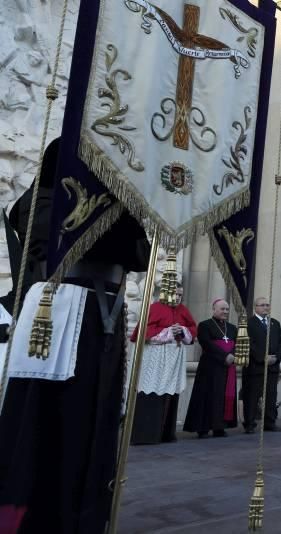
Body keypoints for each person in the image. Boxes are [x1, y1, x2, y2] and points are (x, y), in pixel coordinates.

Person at [0, 137, 152, 533]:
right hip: (61, 312)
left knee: (93, 420)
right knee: (45, 421)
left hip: (100, 315)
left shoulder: (104, 207)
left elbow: (139, 252)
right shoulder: (41, 203)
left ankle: (84, 512)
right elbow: (102, 240)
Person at [130, 283, 197, 444]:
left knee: (171, 394)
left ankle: (166, 433)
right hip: (156, 357)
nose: (178, 298)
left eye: (181, 295)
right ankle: (146, 435)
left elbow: (192, 329)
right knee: (151, 393)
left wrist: (181, 330)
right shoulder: (154, 308)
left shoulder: (183, 310)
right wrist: (168, 332)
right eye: (176, 294)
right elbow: (144, 332)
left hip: (174, 359)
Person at [183, 299, 238, 438]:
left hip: (227, 368)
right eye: (222, 309)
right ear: (214, 309)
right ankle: (203, 427)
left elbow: (237, 344)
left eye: (227, 309)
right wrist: (224, 356)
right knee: (207, 396)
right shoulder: (204, 325)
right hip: (210, 367)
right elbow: (206, 344)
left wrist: (233, 355)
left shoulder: (232, 328)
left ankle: (219, 427)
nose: (225, 312)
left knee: (222, 397)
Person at [242, 298, 281, 433]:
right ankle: (249, 423)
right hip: (255, 367)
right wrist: (262, 358)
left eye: (267, 305)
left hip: (272, 367)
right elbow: (248, 343)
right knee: (252, 396)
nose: (266, 307)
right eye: (263, 305)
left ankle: (270, 422)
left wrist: (276, 357)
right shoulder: (248, 323)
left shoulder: (275, 323)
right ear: (255, 307)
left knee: (271, 396)